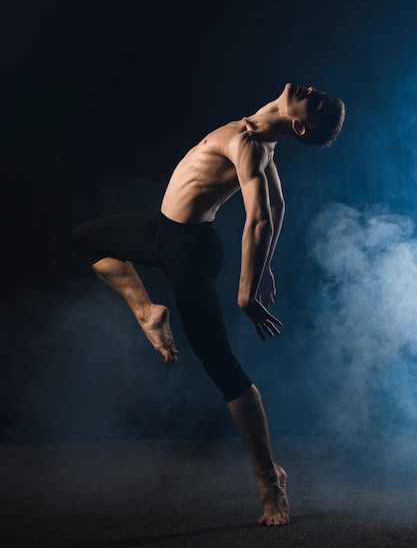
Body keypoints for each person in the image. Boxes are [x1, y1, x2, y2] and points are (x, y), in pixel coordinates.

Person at [72, 82, 345, 526]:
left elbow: (259, 216)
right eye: (317, 93)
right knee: (84, 239)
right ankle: (146, 311)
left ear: (297, 123)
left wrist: (247, 290)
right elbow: (278, 204)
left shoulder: (251, 144)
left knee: (221, 365)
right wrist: (269, 265)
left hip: (189, 250)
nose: (310, 89)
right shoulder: (256, 131)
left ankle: (269, 481)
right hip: (161, 232)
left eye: (313, 100)